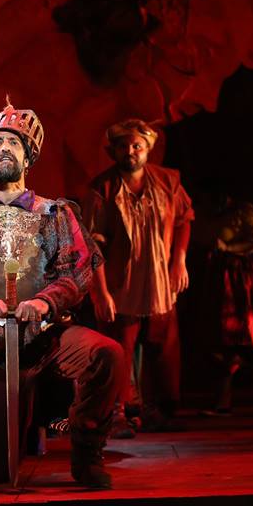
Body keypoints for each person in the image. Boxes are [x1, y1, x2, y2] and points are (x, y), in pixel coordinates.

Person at [0, 101, 123, 489]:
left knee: (107, 355)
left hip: (46, 337)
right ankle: (24, 428)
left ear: (28, 157)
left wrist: (44, 301)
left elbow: (75, 271)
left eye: (14, 143)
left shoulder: (54, 214)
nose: (4, 148)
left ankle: (86, 449)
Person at [82, 119, 193, 435]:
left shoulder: (167, 182)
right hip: (122, 283)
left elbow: (184, 218)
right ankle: (117, 414)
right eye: (123, 146)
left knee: (162, 347)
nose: (130, 152)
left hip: (158, 279)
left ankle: (157, 411)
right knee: (119, 349)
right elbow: (92, 244)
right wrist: (101, 291)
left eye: (136, 146)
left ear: (148, 149)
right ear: (113, 151)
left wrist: (179, 261)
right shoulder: (102, 188)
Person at [200, 193, 253, 417]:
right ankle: (224, 403)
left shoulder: (243, 212)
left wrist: (229, 248)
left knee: (252, 339)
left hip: (241, 280)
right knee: (227, 342)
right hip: (223, 278)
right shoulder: (213, 214)